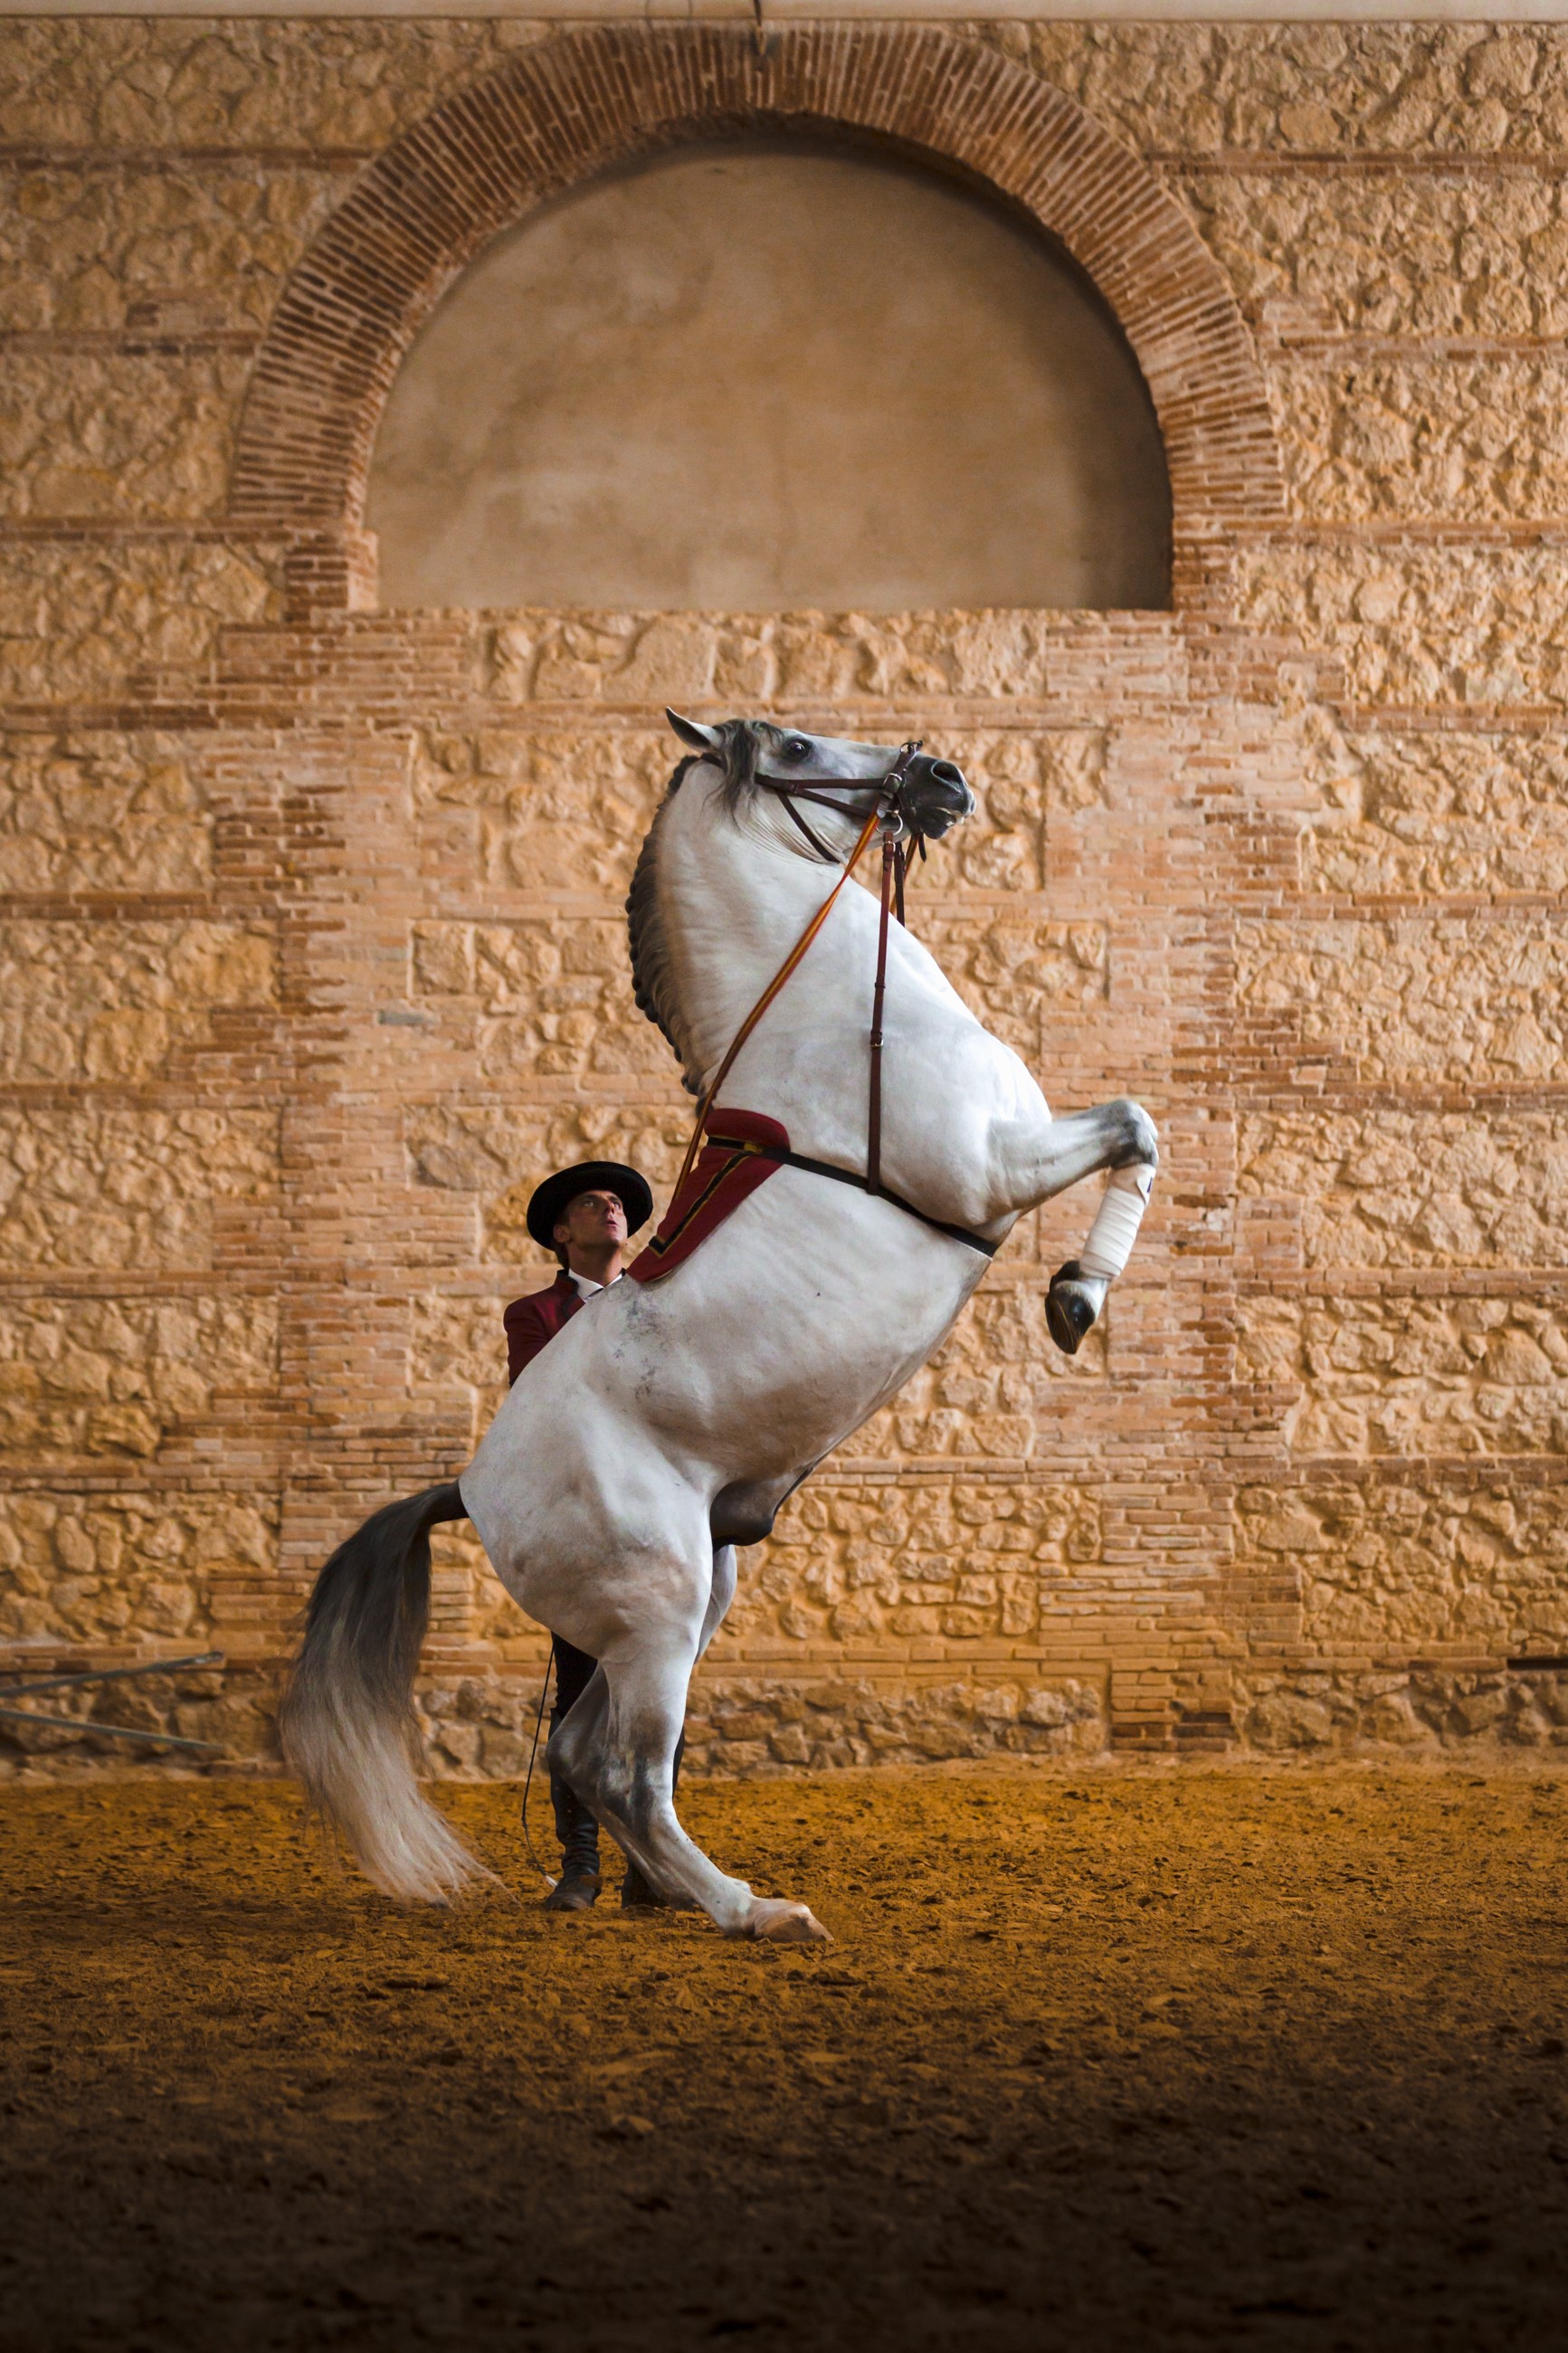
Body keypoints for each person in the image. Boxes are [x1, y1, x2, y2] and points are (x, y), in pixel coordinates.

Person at [503, 1158, 663, 1914]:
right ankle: (580, 1865)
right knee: (577, 1694)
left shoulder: (666, 1301)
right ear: (561, 1235)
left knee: (657, 1697)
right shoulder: (533, 1313)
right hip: (582, 1523)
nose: (609, 1208)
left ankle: (650, 1868)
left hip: (661, 1520)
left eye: (617, 1204)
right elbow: (544, 1403)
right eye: (590, 1204)